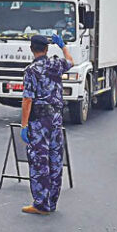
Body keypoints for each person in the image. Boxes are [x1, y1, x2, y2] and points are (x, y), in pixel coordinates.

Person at [19, 34, 74, 215]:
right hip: (56, 119)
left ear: (31, 48)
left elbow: (28, 99)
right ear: (47, 49)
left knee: (39, 161)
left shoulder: (31, 70)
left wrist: (24, 125)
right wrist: (63, 46)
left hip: (39, 121)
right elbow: (71, 61)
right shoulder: (56, 64)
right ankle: (52, 201)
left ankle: (41, 204)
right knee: (55, 159)